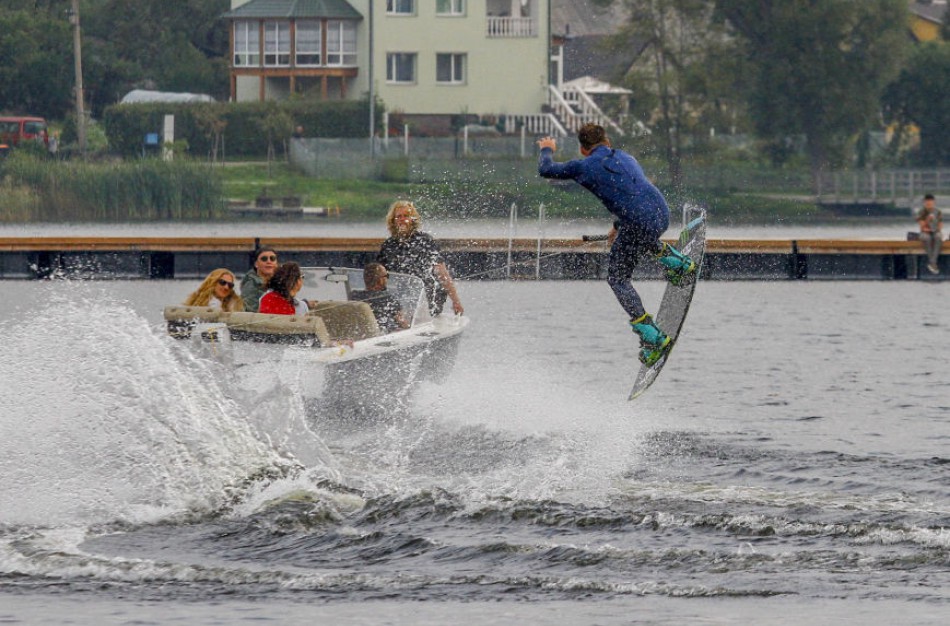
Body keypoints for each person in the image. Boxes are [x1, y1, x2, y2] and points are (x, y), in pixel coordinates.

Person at [537, 123, 695, 365]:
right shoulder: (625, 156)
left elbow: (545, 170)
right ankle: (677, 263)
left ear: (582, 149)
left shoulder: (582, 166)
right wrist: (618, 226)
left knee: (618, 279)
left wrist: (547, 149)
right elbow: (632, 195)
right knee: (638, 234)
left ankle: (652, 337)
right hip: (662, 213)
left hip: (637, 222)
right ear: (607, 142)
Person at [377, 200, 464, 317]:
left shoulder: (425, 241)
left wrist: (456, 301)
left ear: (412, 219)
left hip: (425, 297)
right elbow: (379, 275)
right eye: (399, 217)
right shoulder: (388, 245)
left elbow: (441, 273)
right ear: (393, 221)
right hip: (400, 298)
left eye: (406, 216)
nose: (402, 219)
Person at [350, 262, 410, 333]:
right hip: (381, 337)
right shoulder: (388, 298)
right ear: (380, 280)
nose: (387, 279)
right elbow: (402, 322)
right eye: (386, 276)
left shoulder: (354, 296)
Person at [240, 246, 279, 312]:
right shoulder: (250, 285)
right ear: (256, 264)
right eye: (264, 259)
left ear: (276, 264)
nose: (269, 261)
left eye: (272, 258)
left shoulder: (282, 283)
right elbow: (250, 311)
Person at [917, 194, 943, 274]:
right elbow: (922, 226)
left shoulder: (938, 212)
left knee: (938, 237)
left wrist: (936, 229)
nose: (929, 203)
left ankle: (932, 262)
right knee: (926, 238)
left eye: (930, 202)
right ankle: (933, 263)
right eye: (927, 202)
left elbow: (940, 225)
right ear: (924, 202)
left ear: (934, 202)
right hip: (925, 232)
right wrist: (928, 219)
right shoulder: (921, 212)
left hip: (935, 231)